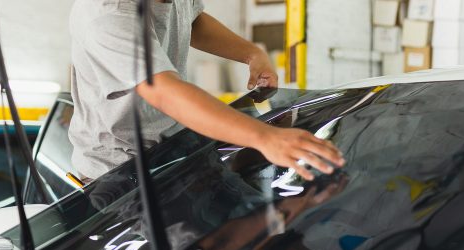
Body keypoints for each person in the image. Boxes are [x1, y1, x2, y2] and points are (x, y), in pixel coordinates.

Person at [68, 0, 345, 182]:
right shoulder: (109, 14)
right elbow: (165, 91)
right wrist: (264, 137)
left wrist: (251, 54)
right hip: (120, 176)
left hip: (173, 153)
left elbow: (192, 19)